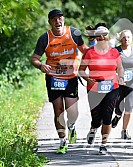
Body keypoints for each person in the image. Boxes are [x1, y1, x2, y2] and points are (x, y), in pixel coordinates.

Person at [31, 9, 88, 154]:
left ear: (64, 20)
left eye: (60, 18)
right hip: (53, 77)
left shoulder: (74, 33)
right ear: (50, 22)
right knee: (59, 111)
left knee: (73, 112)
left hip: (71, 78)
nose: (58, 21)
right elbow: (34, 58)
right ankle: (62, 141)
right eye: (54, 19)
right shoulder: (45, 38)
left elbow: (86, 51)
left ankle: (72, 126)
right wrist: (41, 65)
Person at [79, 23, 124, 155]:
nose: (102, 38)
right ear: (95, 37)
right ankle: (93, 129)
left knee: (107, 116)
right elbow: (81, 70)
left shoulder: (114, 51)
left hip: (111, 87)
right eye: (99, 36)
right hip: (94, 87)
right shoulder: (89, 52)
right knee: (96, 118)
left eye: (104, 35)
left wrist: (120, 77)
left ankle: (103, 144)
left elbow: (120, 67)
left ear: (108, 36)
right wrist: (87, 79)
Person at [111, 29, 133, 140]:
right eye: (124, 37)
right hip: (119, 82)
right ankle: (117, 116)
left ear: (132, 38)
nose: (126, 39)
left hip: (132, 82)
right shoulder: (116, 51)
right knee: (119, 107)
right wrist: (116, 76)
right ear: (121, 39)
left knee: (129, 107)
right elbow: (111, 66)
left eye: (128, 37)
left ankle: (124, 131)